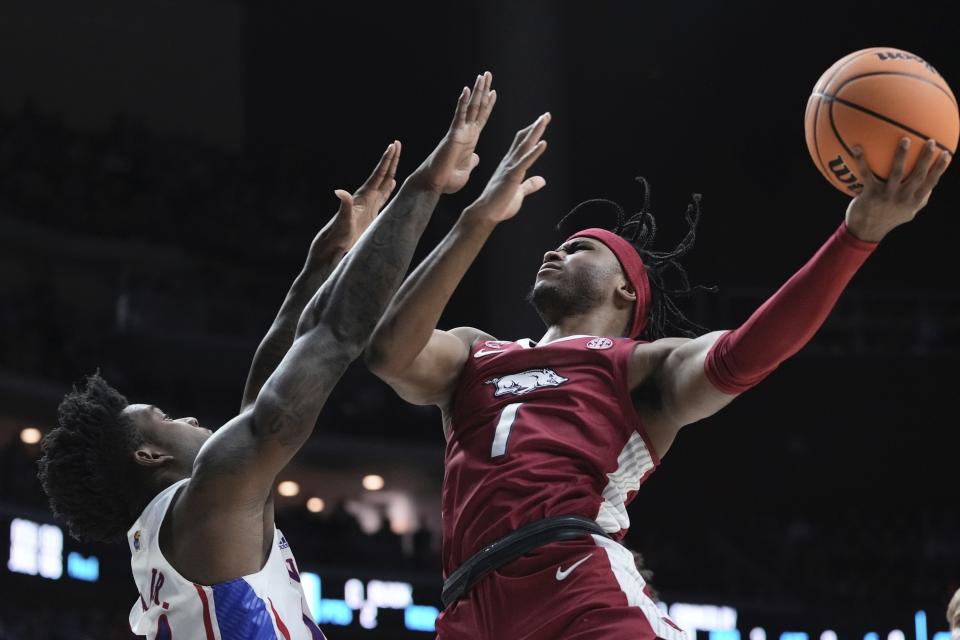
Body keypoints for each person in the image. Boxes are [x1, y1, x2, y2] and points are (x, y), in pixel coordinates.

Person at [365, 121, 950, 640]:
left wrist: (857, 237)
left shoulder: (638, 365)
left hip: (575, 584)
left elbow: (747, 354)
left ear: (626, 289)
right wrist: (477, 218)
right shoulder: (474, 351)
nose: (555, 251)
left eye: (581, 248)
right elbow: (390, 352)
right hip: (468, 604)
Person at [37, 72, 503, 639]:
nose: (184, 418)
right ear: (147, 456)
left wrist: (322, 259)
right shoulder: (206, 502)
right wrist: (427, 186)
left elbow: (263, 396)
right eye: (161, 419)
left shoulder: (185, 524)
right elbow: (330, 339)